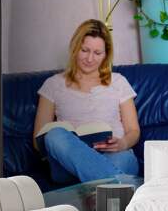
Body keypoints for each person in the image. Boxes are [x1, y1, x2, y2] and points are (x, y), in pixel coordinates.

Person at [33, 19, 141, 185]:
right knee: (53, 135)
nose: (90, 59)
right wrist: (76, 152)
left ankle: (92, 187)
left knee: (124, 159)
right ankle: (119, 185)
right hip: (67, 165)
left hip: (114, 156)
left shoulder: (118, 82)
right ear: (75, 48)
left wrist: (123, 143)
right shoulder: (53, 84)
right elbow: (37, 140)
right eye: (85, 50)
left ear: (106, 55)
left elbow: (133, 130)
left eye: (98, 53)